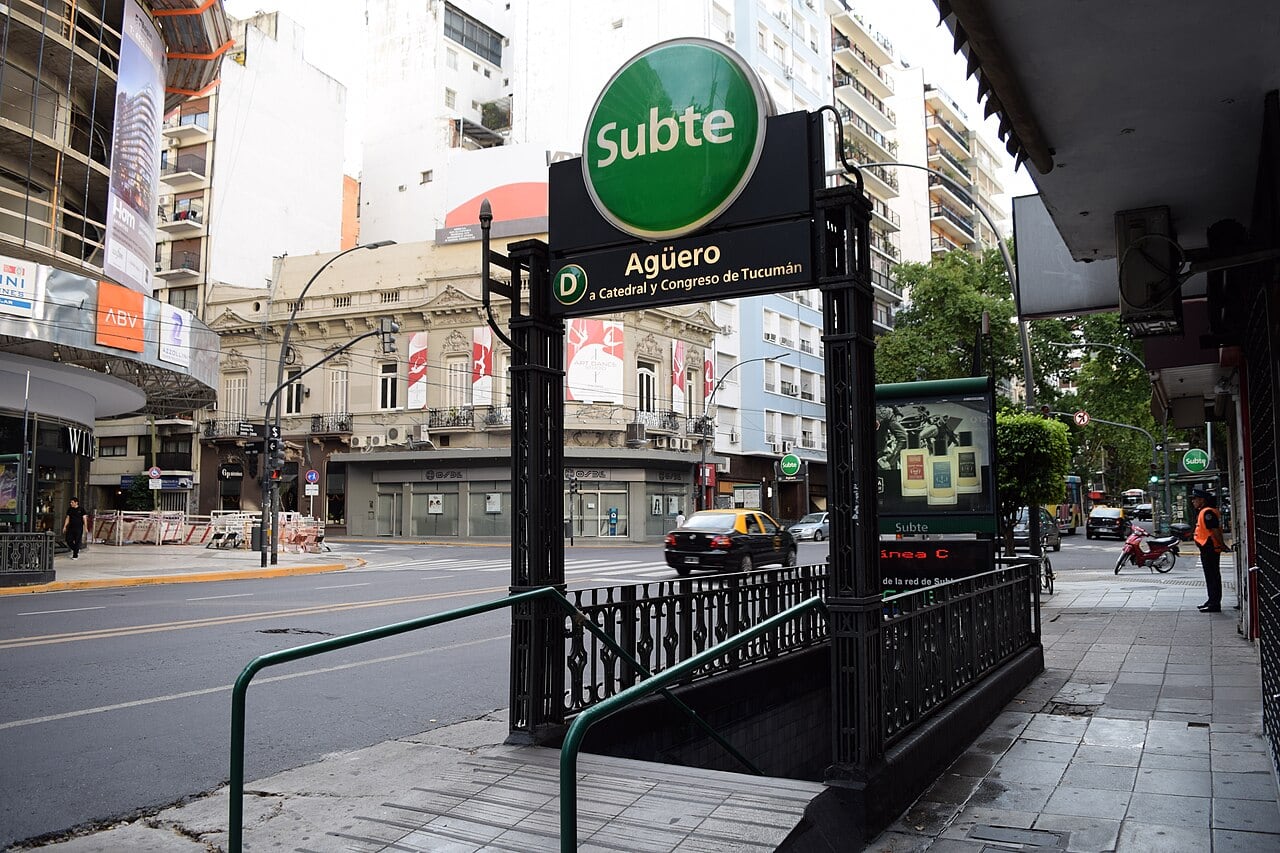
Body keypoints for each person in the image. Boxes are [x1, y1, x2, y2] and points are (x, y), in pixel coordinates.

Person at [1191, 488, 1226, 612]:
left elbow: (1215, 530)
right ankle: (1211, 600)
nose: (1193, 501)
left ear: (1202, 500)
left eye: (1195, 499)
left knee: (1213, 576)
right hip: (1206, 548)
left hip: (1210, 548)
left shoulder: (1207, 513)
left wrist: (1222, 545)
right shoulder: (1203, 511)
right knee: (1210, 576)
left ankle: (1215, 604)